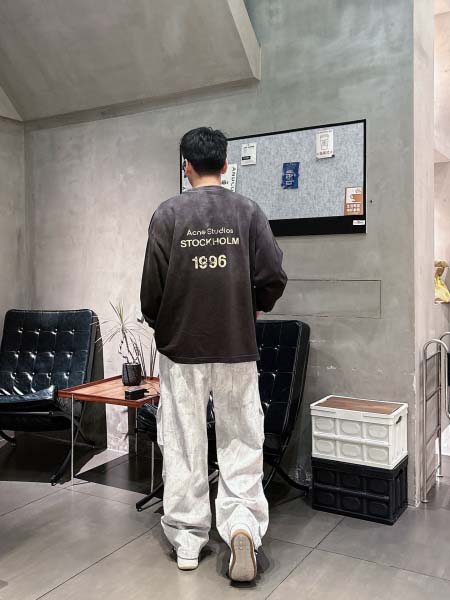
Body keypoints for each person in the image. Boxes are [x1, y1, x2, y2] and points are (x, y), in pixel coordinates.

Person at [140, 126, 287, 582]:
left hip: (181, 348)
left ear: (186, 166)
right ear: (226, 165)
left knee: (184, 441)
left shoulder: (168, 214)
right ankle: (242, 526)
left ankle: (187, 539)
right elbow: (273, 276)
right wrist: (253, 308)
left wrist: (164, 324)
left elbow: (151, 291)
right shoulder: (248, 211)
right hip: (236, 345)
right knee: (241, 437)